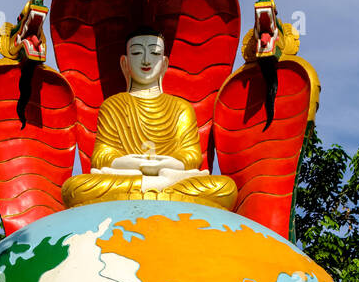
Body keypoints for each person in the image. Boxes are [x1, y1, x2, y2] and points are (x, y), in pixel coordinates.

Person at [62, 29, 238, 209]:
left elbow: (191, 156)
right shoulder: (113, 105)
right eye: (137, 53)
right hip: (130, 176)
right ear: (125, 62)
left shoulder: (181, 108)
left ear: (164, 62)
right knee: (75, 188)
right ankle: (159, 188)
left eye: (154, 53)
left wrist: (163, 164)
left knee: (225, 187)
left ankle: (150, 187)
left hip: (168, 175)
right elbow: (101, 156)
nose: (146, 60)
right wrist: (137, 164)